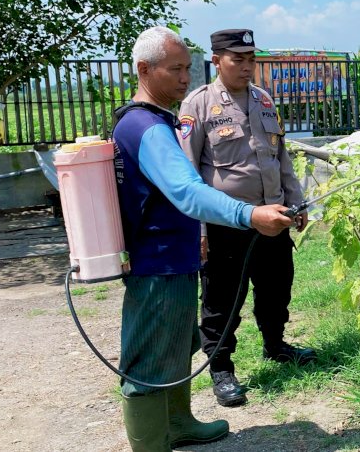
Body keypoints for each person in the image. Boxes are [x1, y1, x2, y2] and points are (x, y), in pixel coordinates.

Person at [112, 26, 293, 451]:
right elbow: (189, 191)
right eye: (175, 69)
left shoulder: (153, 120)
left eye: (187, 68)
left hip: (174, 260)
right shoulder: (148, 128)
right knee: (149, 361)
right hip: (158, 263)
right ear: (144, 69)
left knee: (176, 346)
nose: (183, 78)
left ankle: (177, 424)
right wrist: (247, 213)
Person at [177, 28, 317, 408]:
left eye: (251, 59)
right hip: (227, 225)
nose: (246, 66)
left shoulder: (264, 100)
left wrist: (296, 201)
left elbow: (280, 157)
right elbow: (188, 174)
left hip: (273, 218)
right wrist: (200, 229)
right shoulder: (198, 105)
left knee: (276, 288)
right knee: (223, 300)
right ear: (217, 60)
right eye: (237, 59)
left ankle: (276, 344)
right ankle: (221, 368)